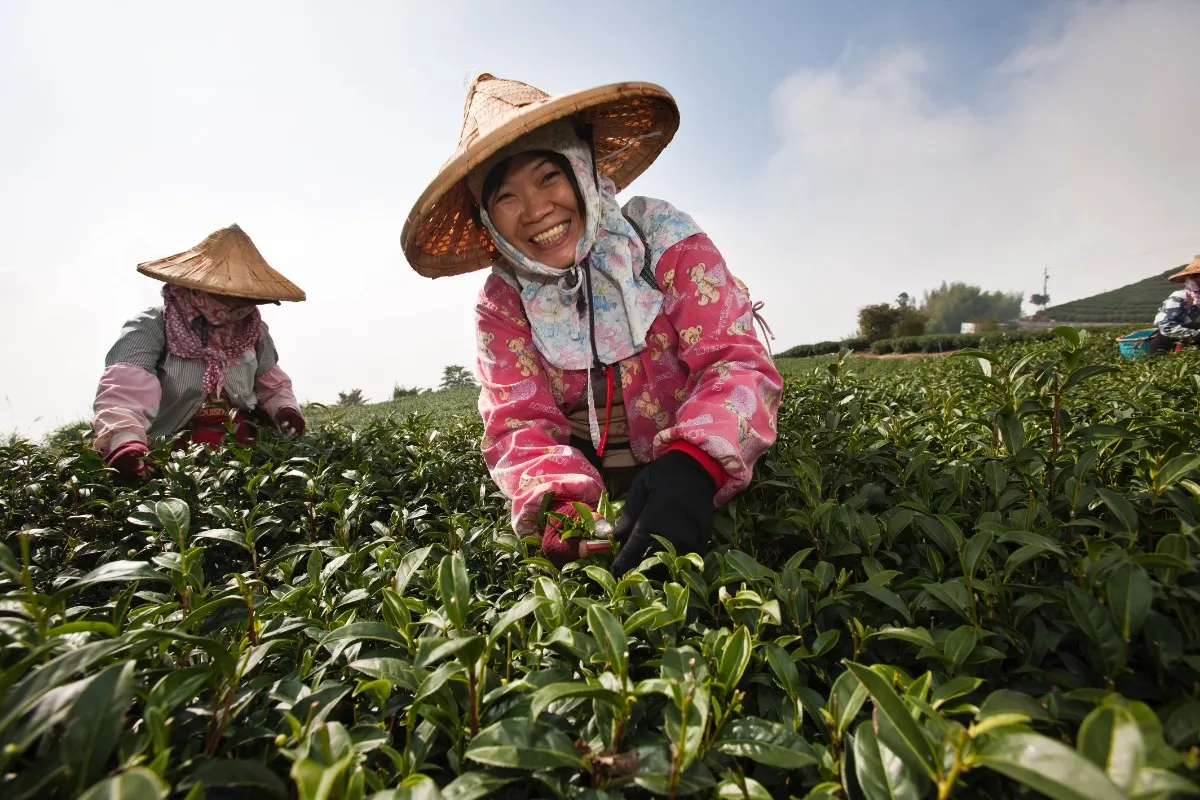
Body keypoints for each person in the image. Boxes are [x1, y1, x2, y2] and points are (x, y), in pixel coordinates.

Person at [401, 73, 782, 576]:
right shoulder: (503, 302)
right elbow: (517, 423)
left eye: (548, 177)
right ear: (487, 217)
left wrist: (695, 464)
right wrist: (561, 508)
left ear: (581, 168)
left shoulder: (660, 236)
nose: (536, 210)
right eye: (505, 197)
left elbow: (735, 360)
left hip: (696, 478)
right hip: (604, 506)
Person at [91, 224, 308, 479]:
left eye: (245, 298)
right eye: (226, 294)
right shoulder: (153, 326)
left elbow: (271, 383)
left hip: (241, 453)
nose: (236, 306)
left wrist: (285, 410)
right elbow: (124, 391)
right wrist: (125, 441)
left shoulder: (254, 330)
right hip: (173, 454)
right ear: (199, 287)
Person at [1148, 255, 1200, 355]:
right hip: (1166, 346)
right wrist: (1197, 334)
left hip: (1191, 345)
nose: (1199, 279)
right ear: (1189, 279)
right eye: (1195, 276)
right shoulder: (1179, 297)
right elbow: (1166, 327)